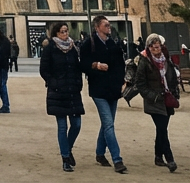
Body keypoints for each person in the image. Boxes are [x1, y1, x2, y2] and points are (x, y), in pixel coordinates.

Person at [80, 14, 128, 173]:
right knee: (108, 124)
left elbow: (120, 64)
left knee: (108, 124)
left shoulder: (113, 44)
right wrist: (95, 65)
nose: (109, 27)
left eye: (109, 25)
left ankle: (100, 153)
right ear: (97, 27)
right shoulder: (88, 44)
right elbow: (83, 64)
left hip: (113, 90)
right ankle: (117, 159)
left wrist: (122, 80)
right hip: (99, 89)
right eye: (106, 25)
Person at [132, 34, 181, 173]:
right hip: (154, 100)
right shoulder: (144, 61)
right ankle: (170, 159)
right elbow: (140, 84)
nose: (156, 49)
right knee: (162, 128)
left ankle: (158, 156)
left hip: (167, 98)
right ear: (148, 47)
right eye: (153, 46)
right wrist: (152, 96)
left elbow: (171, 77)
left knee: (162, 129)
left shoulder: (166, 58)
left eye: (158, 46)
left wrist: (174, 91)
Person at [41, 22, 86, 173]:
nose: (65, 34)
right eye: (62, 32)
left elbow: (78, 67)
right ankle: (65, 158)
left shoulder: (73, 48)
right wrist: (53, 82)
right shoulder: (50, 49)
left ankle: (68, 147)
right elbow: (44, 70)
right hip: (58, 91)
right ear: (56, 33)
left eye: (66, 31)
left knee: (77, 124)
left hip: (72, 90)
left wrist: (78, 83)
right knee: (62, 126)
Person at [0, 28, 11, 112]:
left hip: (1, 66)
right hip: (4, 66)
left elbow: (1, 55)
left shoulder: (1, 44)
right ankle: (5, 104)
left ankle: (6, 105)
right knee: (2, 85)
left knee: (2, 85)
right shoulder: (5, 42)